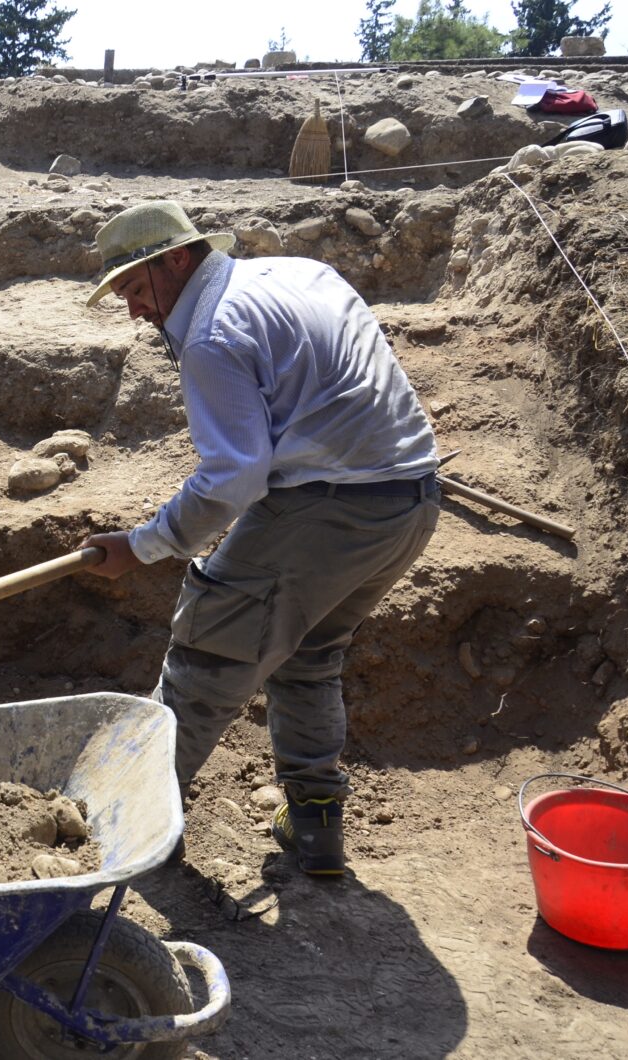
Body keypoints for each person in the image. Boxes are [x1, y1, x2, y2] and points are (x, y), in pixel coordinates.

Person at [79, 201, 440, 877]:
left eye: (134, 288)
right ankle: (315, 830)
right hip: (411, 500)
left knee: (204, 661)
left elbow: (234, 478)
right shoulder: (298, 274)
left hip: (327, 510)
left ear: (175, 259)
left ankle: (131, 832)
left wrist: (143, 545)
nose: (134, 310)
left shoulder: (212, 336)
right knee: (309, 656)